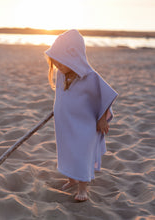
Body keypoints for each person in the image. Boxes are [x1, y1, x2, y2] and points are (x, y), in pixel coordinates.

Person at [45, 29, 118, 202]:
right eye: (56, 62)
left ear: (74, 57)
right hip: (65, 124)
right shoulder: (62, 74)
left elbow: (107, 95)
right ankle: (71, 179)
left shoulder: (90, 76)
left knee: (81, 153)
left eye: (62, 62)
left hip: (84, 125)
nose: (58, 67)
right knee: (67, 151)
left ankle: (83, 188)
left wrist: (101, 119)